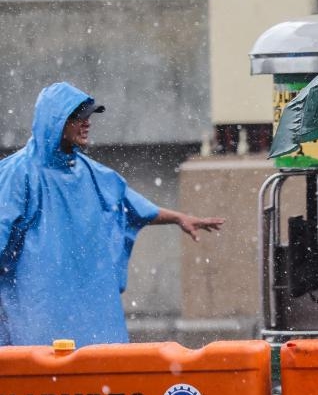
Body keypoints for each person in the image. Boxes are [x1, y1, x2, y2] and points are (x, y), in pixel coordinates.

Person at [0, 82, 225, 347]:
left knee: (99, 369)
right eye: (78, 116)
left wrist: (179, 218)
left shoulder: (93, 174)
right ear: (55, 122)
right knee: (43, 376)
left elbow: (132, 206)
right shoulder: (18, 173)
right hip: (37, 310)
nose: (87, 123)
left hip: (92, 311)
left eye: (89, 116)